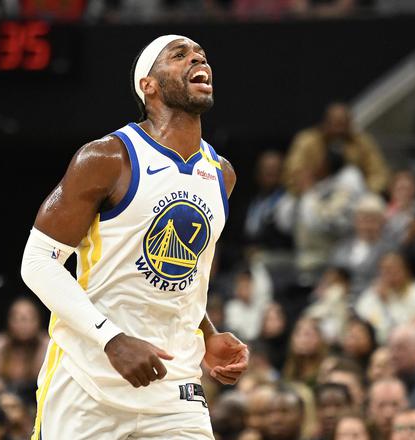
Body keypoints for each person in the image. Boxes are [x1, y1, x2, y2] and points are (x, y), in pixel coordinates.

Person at [20, 34, 249, 439]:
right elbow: (37, 262)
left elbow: (185, 277)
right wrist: (112, 340)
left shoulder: (221, 174)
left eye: (201, 55)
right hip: (88, 382)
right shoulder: (108, 157)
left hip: (174, 387)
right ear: (149, 85)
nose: (198, 59)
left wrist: (208, 332)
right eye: (180, 55)